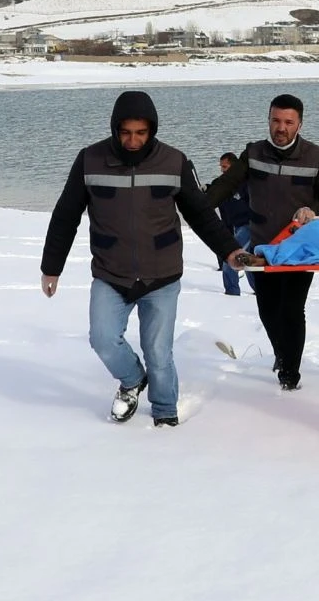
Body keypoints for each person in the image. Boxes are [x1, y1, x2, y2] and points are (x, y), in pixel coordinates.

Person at [40, 91, 244, 427]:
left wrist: (229, 250)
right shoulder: (90, 160)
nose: (133, 140)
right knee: (103, 339)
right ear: (114, 129)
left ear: (152, 130)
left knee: (159, 353)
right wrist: (52, 267)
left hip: (160, 275)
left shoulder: (174, 161)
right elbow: (65, 215)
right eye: (126, 132)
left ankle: (164, 413)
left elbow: (202, 214)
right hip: (111, 273)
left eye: (141, 133)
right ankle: (133, 380)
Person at [205, 94, 319, 390]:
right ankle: (282, 353)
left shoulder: (318, 156)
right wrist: (199, 205)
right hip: (262, 247)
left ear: (299, 124)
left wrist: (313, 210)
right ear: (268, 120)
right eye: (276, 121)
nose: (281, 128)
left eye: (288, 122)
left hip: (298, 250)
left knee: (292, 309)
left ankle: (290, 375)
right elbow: (227, 185)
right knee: (267, 308)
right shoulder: (253, 153)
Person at [214, 151, 253, 296]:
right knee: (248, 260)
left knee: (231, 258)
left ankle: (232, 293)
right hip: (236, 227)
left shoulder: (246, 184)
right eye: (221, 168)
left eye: (225, 167)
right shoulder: (223, 187)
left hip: (250, 226)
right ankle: (259, 290)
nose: (222, 171)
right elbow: (225, 215)